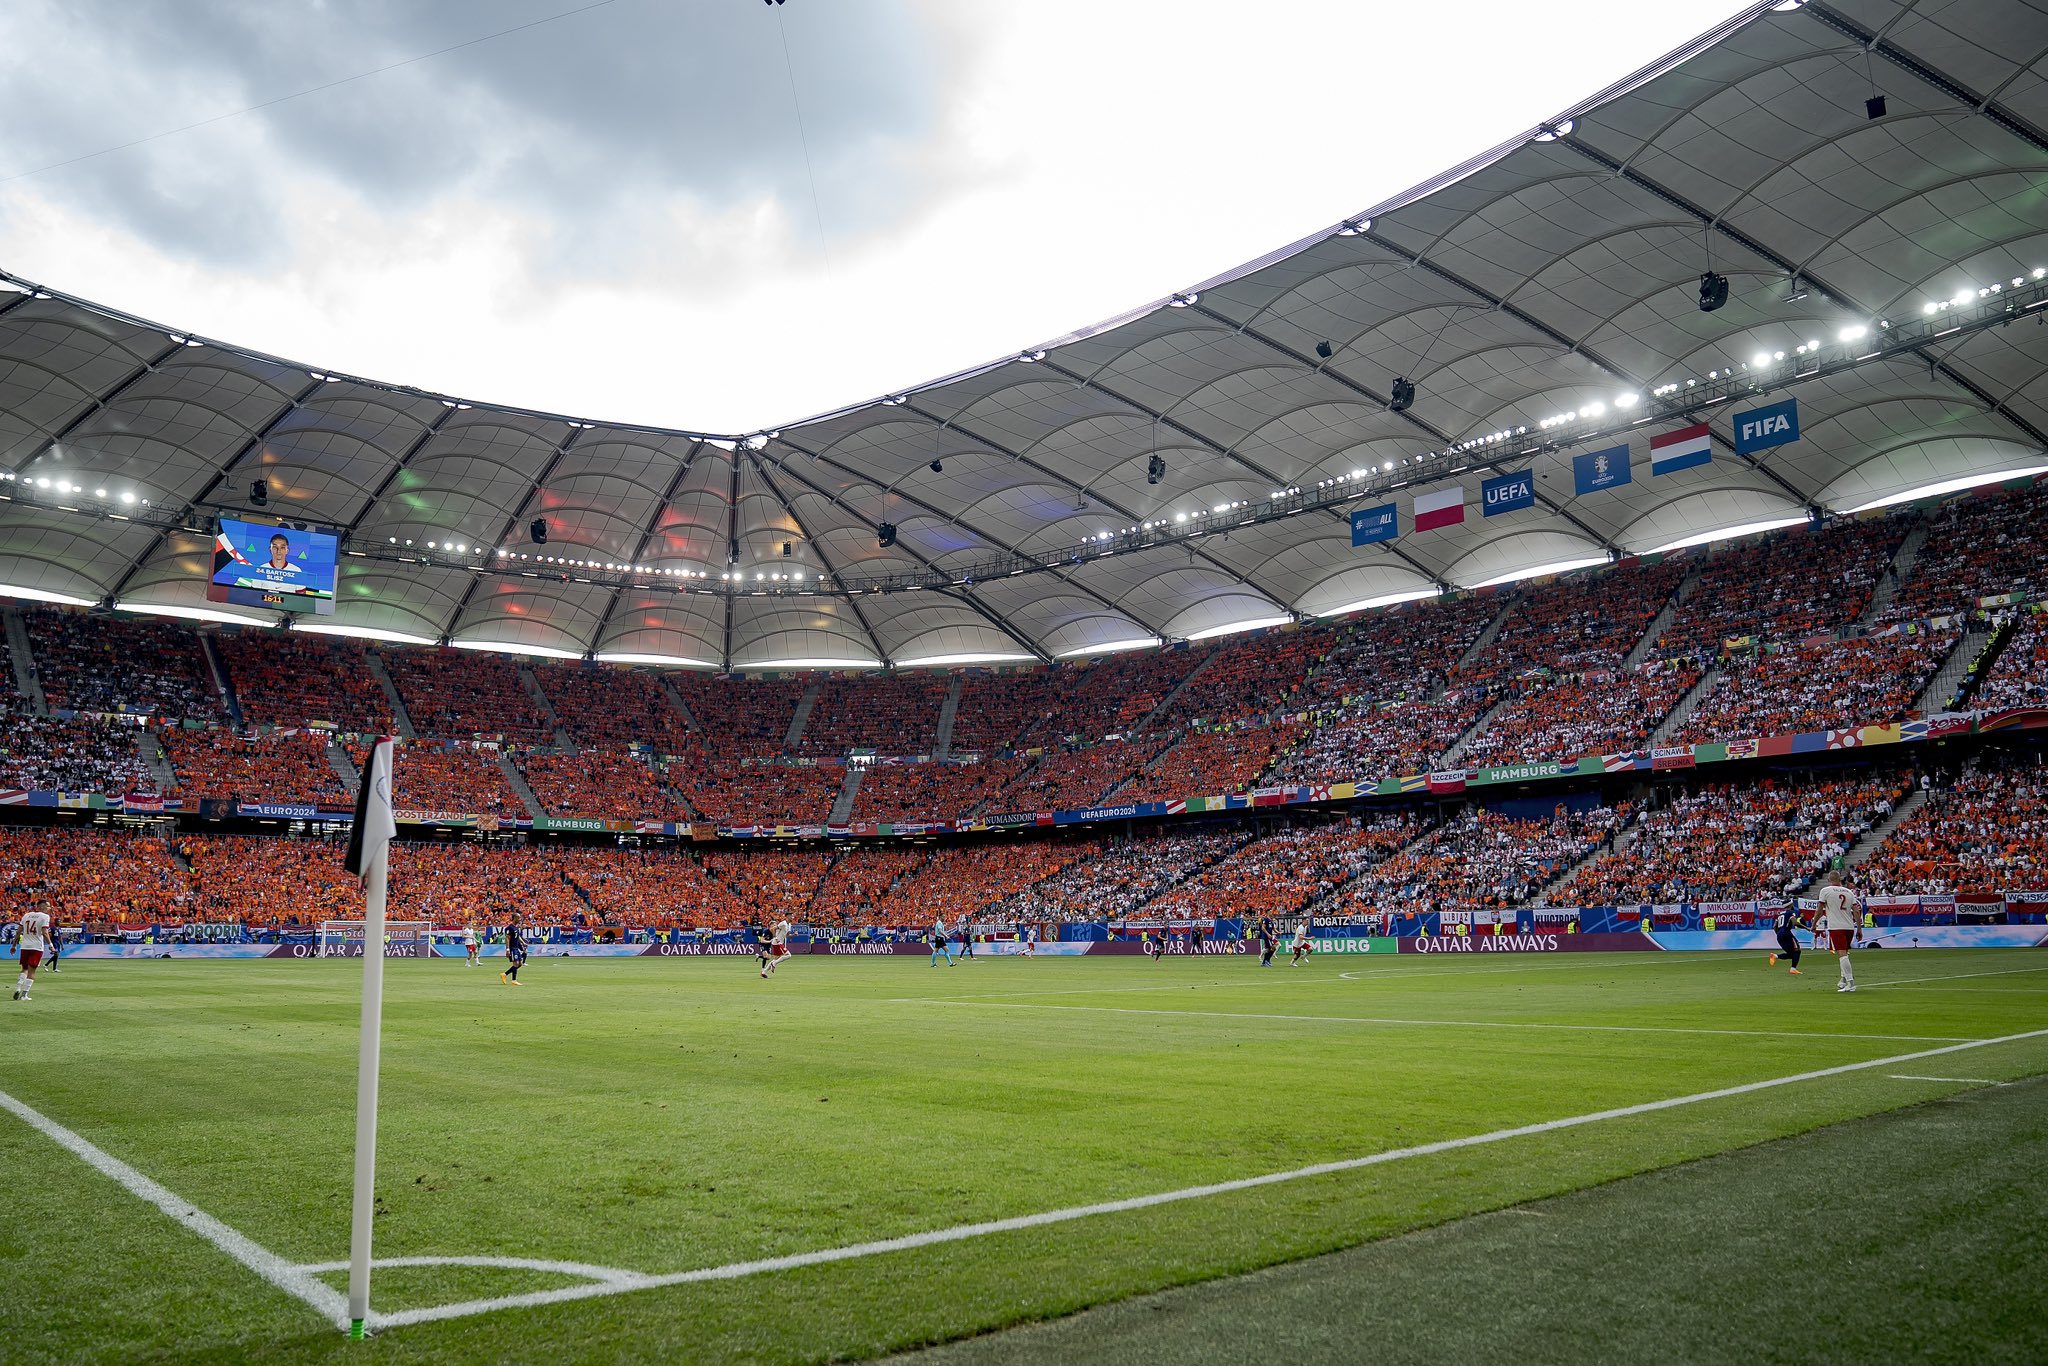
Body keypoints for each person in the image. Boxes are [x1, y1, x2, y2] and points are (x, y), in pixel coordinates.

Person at [1815, 882, 1861, 993]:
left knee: (1842, 954)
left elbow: (1820, 910)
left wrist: (1813, 924)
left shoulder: (1825, 890)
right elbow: (1856, 911)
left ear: (1830, 880)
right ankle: (1843, 980)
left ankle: (1851, 983)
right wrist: (1859, 928)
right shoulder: (1849, 892)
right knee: (1844, 952)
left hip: (1836, 927)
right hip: (1849, 927)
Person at [13, 903, 53, 1001]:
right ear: (42, 907)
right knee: (32, 971)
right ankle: (24, 995)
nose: (49, 908)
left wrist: (14, 945)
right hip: (36, 947)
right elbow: (44, 932)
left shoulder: (26, 915)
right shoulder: (45, 917)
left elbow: (18, 932)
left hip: (25, 946)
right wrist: (51, 945)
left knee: (24, 969)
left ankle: (18, 988)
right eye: (48, 906)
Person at [1767, 902, 1804, 975]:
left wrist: (1779, 934)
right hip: (1786, 932)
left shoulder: (1780, 914)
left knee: (1792, 954)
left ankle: (1775, 956)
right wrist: (1807, 928)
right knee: (1797, 950)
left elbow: (1774, 926)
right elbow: (1795, 923)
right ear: (1790, 905)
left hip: (1779, 935)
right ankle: (1793, 969)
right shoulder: (1791, 912)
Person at [500, 913, 528, 986]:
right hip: (512, 948)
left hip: (516, 947)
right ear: (514, 918)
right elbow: (507, 938)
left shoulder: (516, 927)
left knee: (520, 964)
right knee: (515, 964)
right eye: (518, 918)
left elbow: (518, 937)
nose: (520, 919)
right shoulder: (509, 928)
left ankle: (505, 974)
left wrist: (523, 943)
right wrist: (508, 949)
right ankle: (514, 980)